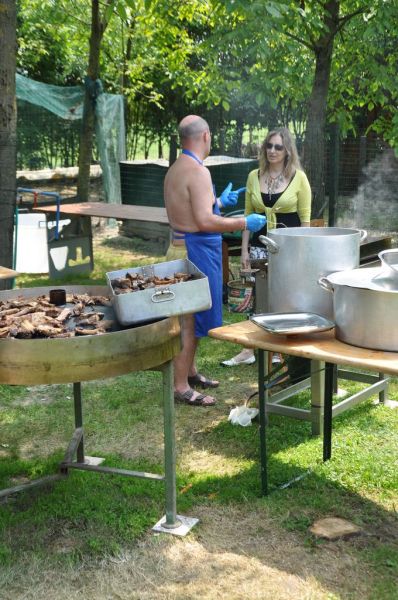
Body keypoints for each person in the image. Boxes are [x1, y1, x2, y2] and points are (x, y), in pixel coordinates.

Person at [164, 115, 266, 406]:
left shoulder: (176, 169)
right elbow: (205, 221)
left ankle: (191, 372)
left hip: (182, 246)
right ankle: (181, 386)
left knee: (190, 320)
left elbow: (191, 210)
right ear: (206, 136)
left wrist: (220, 202)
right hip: (195, 251)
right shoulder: (198, 172)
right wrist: (244, 221)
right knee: (190, 323)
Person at [221, 127, 312, 367]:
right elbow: (247, 216)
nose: (272, 151)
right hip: (259, 247)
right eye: (269, 146)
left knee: (283, 297)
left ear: (287, 150)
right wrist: (243, 250)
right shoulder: (254, 176)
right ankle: (248, 349)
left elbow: (306, 221)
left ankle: (278, 350)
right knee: (257, 297)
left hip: (288, 249)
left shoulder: (299, 178)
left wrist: (304, 254)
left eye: (278, 147)